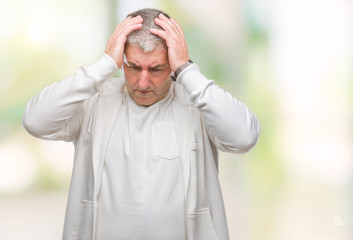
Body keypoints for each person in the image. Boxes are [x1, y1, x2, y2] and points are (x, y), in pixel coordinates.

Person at [23, 8, 260, 240]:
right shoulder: (95, 102)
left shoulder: (198, 105)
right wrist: (104, 65)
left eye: (156, 69)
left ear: (172, 65)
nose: (143, 82)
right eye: (133, 67)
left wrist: (187, 70)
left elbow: (244, 137)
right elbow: (35, 121)